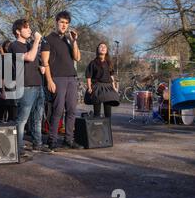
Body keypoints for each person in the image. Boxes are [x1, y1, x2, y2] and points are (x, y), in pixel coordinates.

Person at [42, 11, 83, 151]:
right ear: (56, 22)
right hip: (57, 78)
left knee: (72, 110)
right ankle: (52, 140)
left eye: (66, 23)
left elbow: (77, 58)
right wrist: (49, 80)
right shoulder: (48, 39)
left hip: (71, 78)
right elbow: (44, 62)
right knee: (58, 110)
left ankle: (68, 139)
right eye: (62, 22)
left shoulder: (68, 40)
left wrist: (74, 41)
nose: (64, 25)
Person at [9, 19, 50, 156]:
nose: (30, 30)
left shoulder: (29, 45)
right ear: (18, 31)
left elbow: (34, 61)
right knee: (22, 119)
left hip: (38, 84)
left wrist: (41, 67)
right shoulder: (14, 46)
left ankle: (37, 144)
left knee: (37, 117)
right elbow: (30, 57)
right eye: (26, 28)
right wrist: (37, 41)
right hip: (25, 86)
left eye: (29, 28)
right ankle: (18, 147)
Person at [85, 42, 120, 117]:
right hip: (97, 87)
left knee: (108, 112)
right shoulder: (93, 63)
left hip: (108, 87)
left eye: (104, 47)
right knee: (97, 112)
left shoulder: (109, 63)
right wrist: (89, 87)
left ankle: (107, 127)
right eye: (101, 46)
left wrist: (114, 87)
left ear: (106, 50)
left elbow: (111, 76)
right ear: (97, 50)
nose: (103, 48)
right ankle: (97, 127)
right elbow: (88, 76)